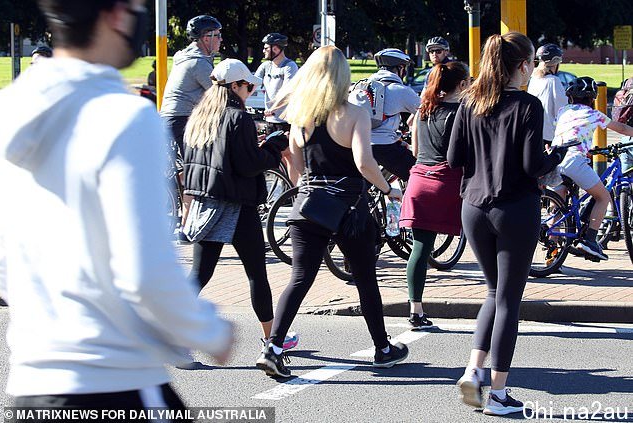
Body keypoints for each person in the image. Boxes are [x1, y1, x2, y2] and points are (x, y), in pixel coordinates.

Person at [0, 0, 233, 413]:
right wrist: (207, 330)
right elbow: (145, 268)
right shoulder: (122, 116)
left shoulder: (10, 109)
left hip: (32, 380)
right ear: (117, 14)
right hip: (114, 375)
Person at [256, 46, 409, 378]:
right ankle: (382, 349)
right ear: (343, 76)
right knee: (366, 279)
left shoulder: (299, 119)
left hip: (309, 206)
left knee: (300, 278)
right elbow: (364, 163)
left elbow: (296, 173)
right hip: (349, 208)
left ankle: (274, 347)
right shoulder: (354, 113)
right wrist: (388, 188)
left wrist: (312, 191)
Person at [447, 32, 567, 416]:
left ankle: (473, 370)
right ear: (522, 65)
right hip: (515, 207)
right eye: (530, 62)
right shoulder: (528, 105)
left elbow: (453, 159)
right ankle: (497, 392)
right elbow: (533, 166)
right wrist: (557, 156)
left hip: (474, 207)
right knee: (508, 302)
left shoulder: (470, 102)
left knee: (492, 292)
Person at [182, 58, 298, 353]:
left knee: (199, 275)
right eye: (247, 86)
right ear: (235, 86)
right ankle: (272, 340)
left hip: (206, 203)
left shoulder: (200, 116)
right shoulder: (239, 118)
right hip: (238, 204)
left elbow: (216, 160)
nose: (250, 90)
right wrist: (272, 147)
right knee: (257, 273)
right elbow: (247, 165)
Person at [400, 62, 471, 330]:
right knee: (487, 240)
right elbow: (462, 155)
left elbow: (416, 150)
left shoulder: (423, 110)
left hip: (419, 182)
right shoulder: (461, 113)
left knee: (420, 249)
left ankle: (415, 310)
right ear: (462, 85)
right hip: (449, 183)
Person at [548, 76, 633, 261]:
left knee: (559, 204)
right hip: (573, 161)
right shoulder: (593, 114)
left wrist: (588, 149)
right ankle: (590, 240)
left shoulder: (564, 110)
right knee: (603, 197)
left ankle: (552, 247)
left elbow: (570, 133)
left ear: (570, 97)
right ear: (592, 98)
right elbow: (622, 128)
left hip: (555, 160)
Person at [160, 14, 222, 158]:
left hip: (172, 117)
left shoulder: (188, 57)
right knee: (200, 163)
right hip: (182, 118)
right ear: (207, 37)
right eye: (218, 35)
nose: (221, 39)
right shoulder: (197, 62)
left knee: (188, 167)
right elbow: (219, 93)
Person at [365, 48, 420, 181]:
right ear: (400, 68)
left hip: (360, 144)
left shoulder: (363, 86)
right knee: (419, 176)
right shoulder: (401, 90)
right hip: (385, 147)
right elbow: (428, 112)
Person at [254, 33, 300, 182]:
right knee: (280, 156)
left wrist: (273, 108)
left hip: (285, 119)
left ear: (276, 48)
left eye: (266, 48)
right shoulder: (265, 66)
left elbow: (288, 92)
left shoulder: (289, 66)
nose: (263, 51)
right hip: (270, 120)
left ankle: (292, 190)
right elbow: (251, 83)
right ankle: (286, 187)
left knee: (289, 156)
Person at [527, 43, 567, 148]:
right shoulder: (554, 81)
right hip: (549, 136)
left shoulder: (533, 80)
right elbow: (562, 109)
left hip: (534, 132)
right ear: (556, 62)